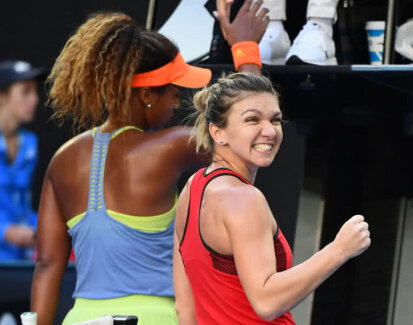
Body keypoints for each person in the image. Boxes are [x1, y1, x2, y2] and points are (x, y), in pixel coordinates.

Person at [31, 1, 268, 324]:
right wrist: (245, 50)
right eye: (172, 91)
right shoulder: (168, 147)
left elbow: (47, 265)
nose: (176, 101)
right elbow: (245, 135)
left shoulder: (62, 161)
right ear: (146, 95)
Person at [173, 76, 371, 323]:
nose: (269, 131)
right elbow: (267, 302)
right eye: (252, 119)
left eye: (275, 120)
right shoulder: (244, 199)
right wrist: (339, 250)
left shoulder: (194, 188)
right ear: (217, 132)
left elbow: (185, 307)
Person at [0, 60, 42, 261]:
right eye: (25, 91)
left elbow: (22, 206)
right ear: (2, 97)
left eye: (35, 92)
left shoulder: (30, 143)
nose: (34, 99)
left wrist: (45, 229)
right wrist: (5, 231)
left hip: (22, 261)